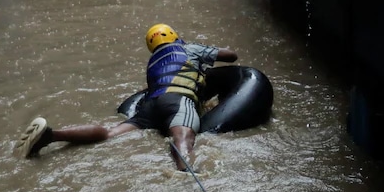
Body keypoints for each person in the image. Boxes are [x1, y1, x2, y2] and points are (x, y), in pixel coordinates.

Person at [18, 24, 238, 171]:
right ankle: (187, 175)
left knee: (109, 133)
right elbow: (231, 56)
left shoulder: (152, 63)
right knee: (183, 138)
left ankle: (51, 135)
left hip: (150, 108)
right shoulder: (189, 48)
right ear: (174, 36)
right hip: (178, 101)